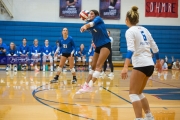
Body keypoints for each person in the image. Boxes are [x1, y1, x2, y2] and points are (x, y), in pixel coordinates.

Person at [120, 6, 162, 120]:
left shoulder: (130, 31)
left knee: (133, 93)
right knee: (138, 92)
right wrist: (158, 62)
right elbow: (155, 48)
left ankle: (139, 118)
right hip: (150, 65)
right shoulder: (144, 29)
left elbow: (130, 50)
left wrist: (125, 67)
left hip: (141, 64)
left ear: (127, 19)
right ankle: (149, 116)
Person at [76, 10, 111, 94]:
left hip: (106, 45)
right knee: (93, 66)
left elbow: (91, 24)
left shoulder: (98, 19)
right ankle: (86, 84)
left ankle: (90, 86)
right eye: (89, 13)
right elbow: (87, 25)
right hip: (98, 46)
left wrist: (85, 26)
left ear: (95, 15)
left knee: (99, 65)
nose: (89, 15)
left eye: (91, 13)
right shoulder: (90, 22)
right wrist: (83, 27)